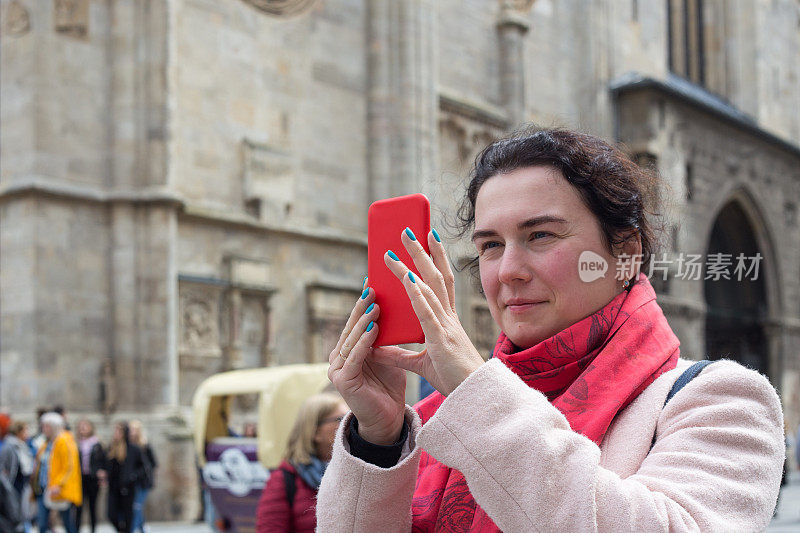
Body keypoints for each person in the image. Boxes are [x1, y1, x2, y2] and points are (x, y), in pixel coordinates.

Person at [317, 127, 785, 531]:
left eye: (540, 236)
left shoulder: (723, 399)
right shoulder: (440, 413)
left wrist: (475, 390)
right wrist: (378, 440)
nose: (508, 272)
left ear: (624, 251)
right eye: (491, 245)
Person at [256, 393, 348, 532]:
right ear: (315, 431)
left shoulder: (354, 472)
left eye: (351, 419)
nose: (349, 426)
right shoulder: (284, 480)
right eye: (340, 419)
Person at [32, 412, 82, 533]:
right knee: (42, 523)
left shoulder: (64, 440)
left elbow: (70, 466)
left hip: (60, 489)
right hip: (45, 488)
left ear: (54, 426)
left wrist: (59, 484)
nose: (43, 429)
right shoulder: (48, 443)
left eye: (46, 426)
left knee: (67, 523)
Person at [106, 421, 147, 533]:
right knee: (111, 514)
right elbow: (108, 466)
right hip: (114, 487)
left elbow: (144, 467)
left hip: (128, 487)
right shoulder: (111, 448)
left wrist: (133, 476)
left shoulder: (134, 449)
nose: (116, 434)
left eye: (119, 431)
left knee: (128, 515)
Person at [0, 420, 34, 533]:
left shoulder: (23, 446)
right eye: (25, 430)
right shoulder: (9, 447)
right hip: (12, 487)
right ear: (19, 432)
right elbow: (3, 468)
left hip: (22, 486)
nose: (27, 433)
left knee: (23, 513)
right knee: (14, 514)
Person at [76, 419, 106, 533]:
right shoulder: (77, 443)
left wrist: (101, 473)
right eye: (81, 426)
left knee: (93, 507)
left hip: (93, 478)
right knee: (78, 507)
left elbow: (103, 461)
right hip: (80, 479)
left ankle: (93, 530)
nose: (83, 429)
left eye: (85, 426)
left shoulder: (97, 444)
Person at [128, 420, 157, 533]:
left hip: (142, 482)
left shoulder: (145, 445)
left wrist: (142, 472)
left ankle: (133, 529)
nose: (132, 432)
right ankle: (142, 527)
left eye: (134, 429)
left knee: (137, 507)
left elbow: (153, 463)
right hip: (131, 482)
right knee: (135, 507)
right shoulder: (126, 446)